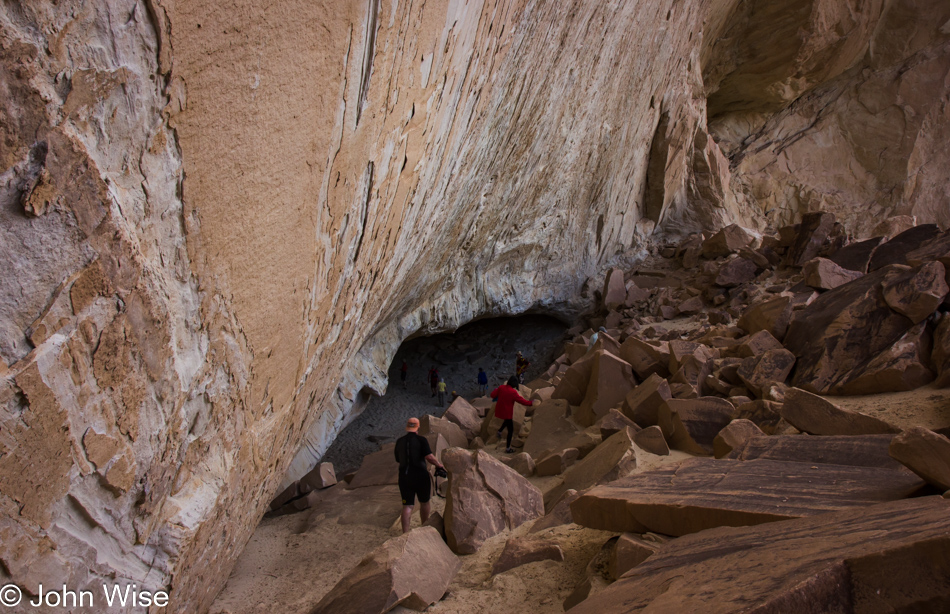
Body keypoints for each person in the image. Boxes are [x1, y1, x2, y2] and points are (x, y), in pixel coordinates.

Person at [394, 417, 445, 533]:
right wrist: (439, 465)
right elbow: (429, 457)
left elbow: (398, 459)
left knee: (407, 506)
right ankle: (424, 525)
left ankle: (405, 532)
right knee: (424, 502)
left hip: (404, 476)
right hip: (420, 475)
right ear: (418, 427)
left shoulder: (400, 441)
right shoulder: (421, 440)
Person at [490, 376, 534, 453]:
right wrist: (530, 403)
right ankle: (508, 448)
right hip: (507, 413)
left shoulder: (501, 387)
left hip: (500, 411)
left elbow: (492, 395)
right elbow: (521, 401)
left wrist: (496, 390)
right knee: (510, 430)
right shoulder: (513, 392)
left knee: (506, 421)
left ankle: (499, 431)